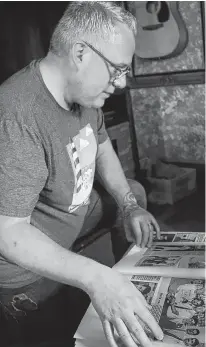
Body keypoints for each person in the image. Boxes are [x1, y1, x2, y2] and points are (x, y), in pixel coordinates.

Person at [0, 2, 163, 347]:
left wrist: (129, 204)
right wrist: (94, 278)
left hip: (73, 213)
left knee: (132, 190)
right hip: (21, 261)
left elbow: (101, 146)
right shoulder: (16, 116)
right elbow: (7, 232)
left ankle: (122, 278)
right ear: (80, 53)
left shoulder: (86, 98)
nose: (121, 84)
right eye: (117, 70)